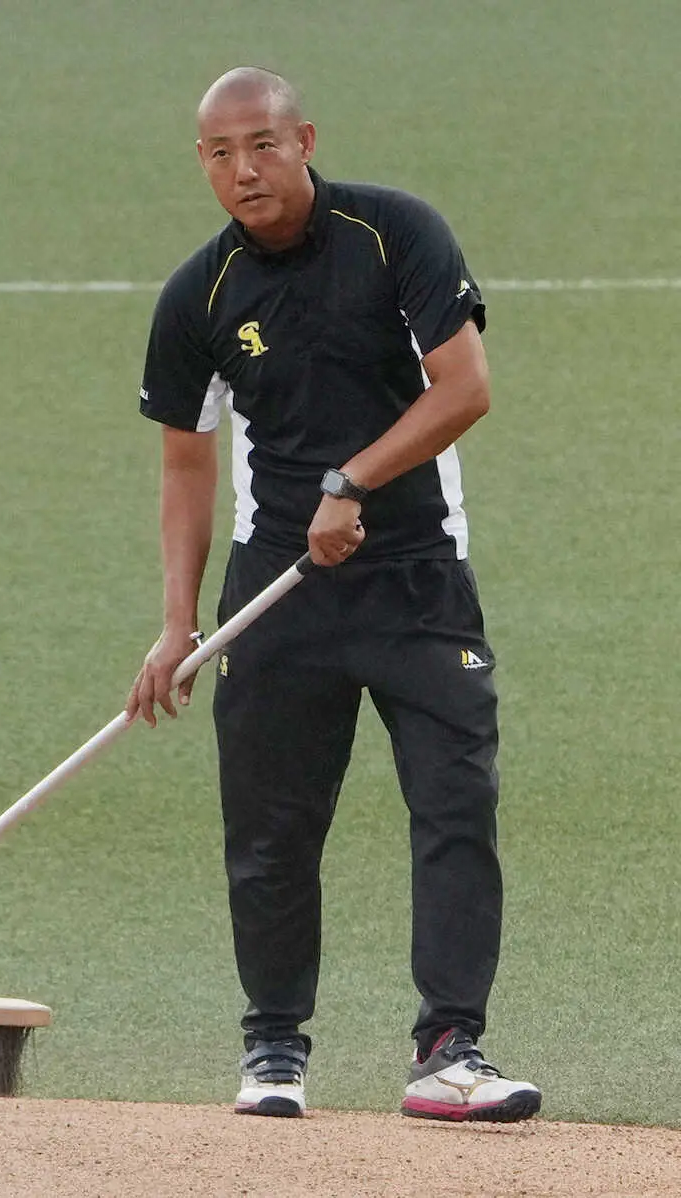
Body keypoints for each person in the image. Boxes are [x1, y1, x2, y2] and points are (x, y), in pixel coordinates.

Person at [125, 66, 541, 1122]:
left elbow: (467, 386)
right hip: (279, 592)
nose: (243, 170)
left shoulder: (396, 235)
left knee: (456, 803)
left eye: (262, 144)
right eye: (220, 153)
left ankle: (450, 1051)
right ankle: (273, 1050)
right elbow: (185, 467)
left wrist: (353, 482)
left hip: (415, 578)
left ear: (303, 138)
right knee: (270, 828)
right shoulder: (199, 297)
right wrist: (177, 626)